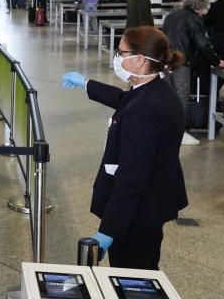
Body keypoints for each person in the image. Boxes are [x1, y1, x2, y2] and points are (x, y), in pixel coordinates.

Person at [60, 27, 187, 270]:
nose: (117, 57)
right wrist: (86, 84)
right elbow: (124, 101)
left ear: (139, 60)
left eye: (121, 52)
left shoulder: (145, 110)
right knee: (143, 267)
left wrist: (108, 231)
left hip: (138, 213)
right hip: (151, 202)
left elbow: (132, 177)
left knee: (132, 275)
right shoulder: (154, 89)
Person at [162, 0, 224, 146]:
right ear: (201, 6)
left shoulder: (172, 15)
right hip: (181, 61)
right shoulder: (194, 19)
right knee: (181, 96)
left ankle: (165, 128)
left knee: (167, 95)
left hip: (165, 59)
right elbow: (203, 43)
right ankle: (180, 132)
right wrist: (217, 61)